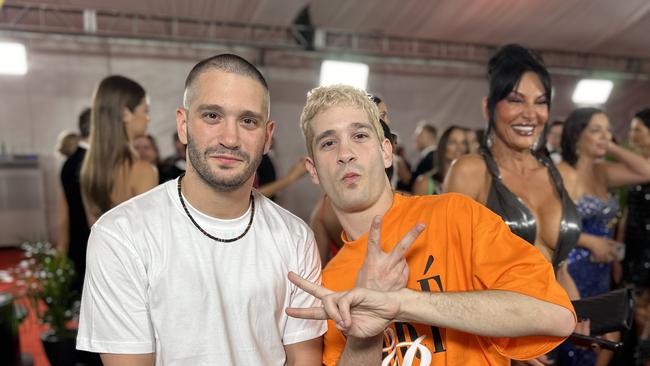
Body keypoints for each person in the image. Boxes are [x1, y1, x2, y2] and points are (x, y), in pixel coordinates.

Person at [289, 84, 576, 365]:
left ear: (386, 152)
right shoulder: (329, 286)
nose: (345, 153)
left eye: (360, 135)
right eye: (328, 143)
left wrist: (403, 304)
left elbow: (556, 316)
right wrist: (364, 338)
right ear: (313, 170)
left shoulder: (454, 216)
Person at [76, 54, 326, 366]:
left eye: (248, 121)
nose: (230, 139)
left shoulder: (296, 237)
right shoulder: (120, 234)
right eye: (212, 116)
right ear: (183, 125)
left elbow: (305, 360)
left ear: (267, 136)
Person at [556, 107, 650, 366]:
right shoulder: (560, 173)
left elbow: (647, 170)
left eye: (608, 130)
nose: (605, 136)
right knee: (573, 339)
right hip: (571, 270)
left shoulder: (603, 172)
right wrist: (588, 240)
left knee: (603, 340)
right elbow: (547, 228)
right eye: (596, 130)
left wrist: (612, 147)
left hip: (600, 272)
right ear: (576, 135)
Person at [80, 75, 158, 224]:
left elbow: (94, 228)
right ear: (125, 114)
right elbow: (150, 237)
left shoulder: (90, 172)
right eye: (145, 110)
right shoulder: (142, 170)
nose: (148, 118)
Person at [58, 108, 91, 295]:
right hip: (90, 244)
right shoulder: (91, 162)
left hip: (76, 242)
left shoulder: (69, 162)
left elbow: (62, 211)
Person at [413, 125, 468, 195]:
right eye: (452, 142)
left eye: (463, 143)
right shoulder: (424, 183)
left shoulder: (471, 183)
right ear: (443, 146)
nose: (459, 147)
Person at [411, 122, 437, 187]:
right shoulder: (431, 157)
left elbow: (414, 183)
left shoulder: (431, 159)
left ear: (429, 137)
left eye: (419, 135)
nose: (416, 138)